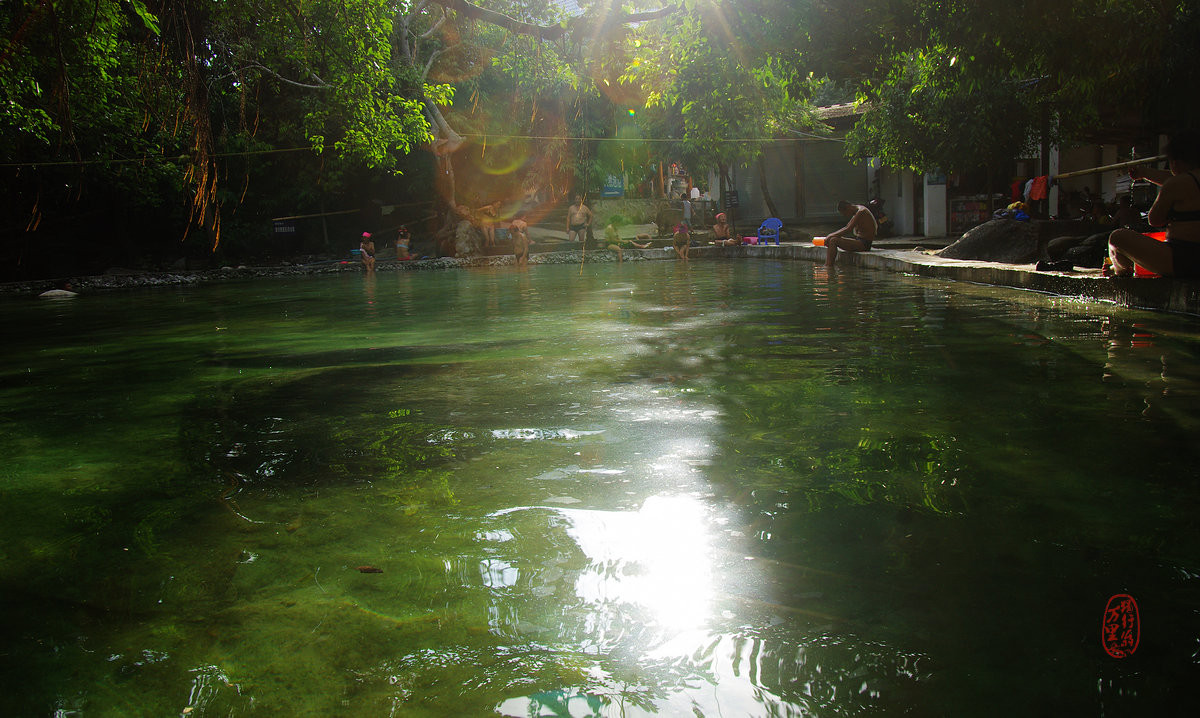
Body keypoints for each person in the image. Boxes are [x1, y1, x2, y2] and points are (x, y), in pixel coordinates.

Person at [1107, 130, 1200, 278]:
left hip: (1183, 260)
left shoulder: (1175, 184)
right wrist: (1144, 173)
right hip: (1188, 258)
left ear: (1175, 162)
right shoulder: (1186, 180)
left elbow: (1154, 220)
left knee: (1117, 238)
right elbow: (1175, 178)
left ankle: (1119, 272)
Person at [815, 200, 877, 267]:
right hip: (860, 240)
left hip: (864, 244)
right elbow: (847, 227)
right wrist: (830, 236)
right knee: (833, 239)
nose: (846, 216)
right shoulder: (858, 210)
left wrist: (829, 236)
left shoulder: (861, 212)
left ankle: (828, 267)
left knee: (833, 240)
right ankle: (828, 265)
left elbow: (848, 229)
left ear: (848, 207)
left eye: (845, 214)